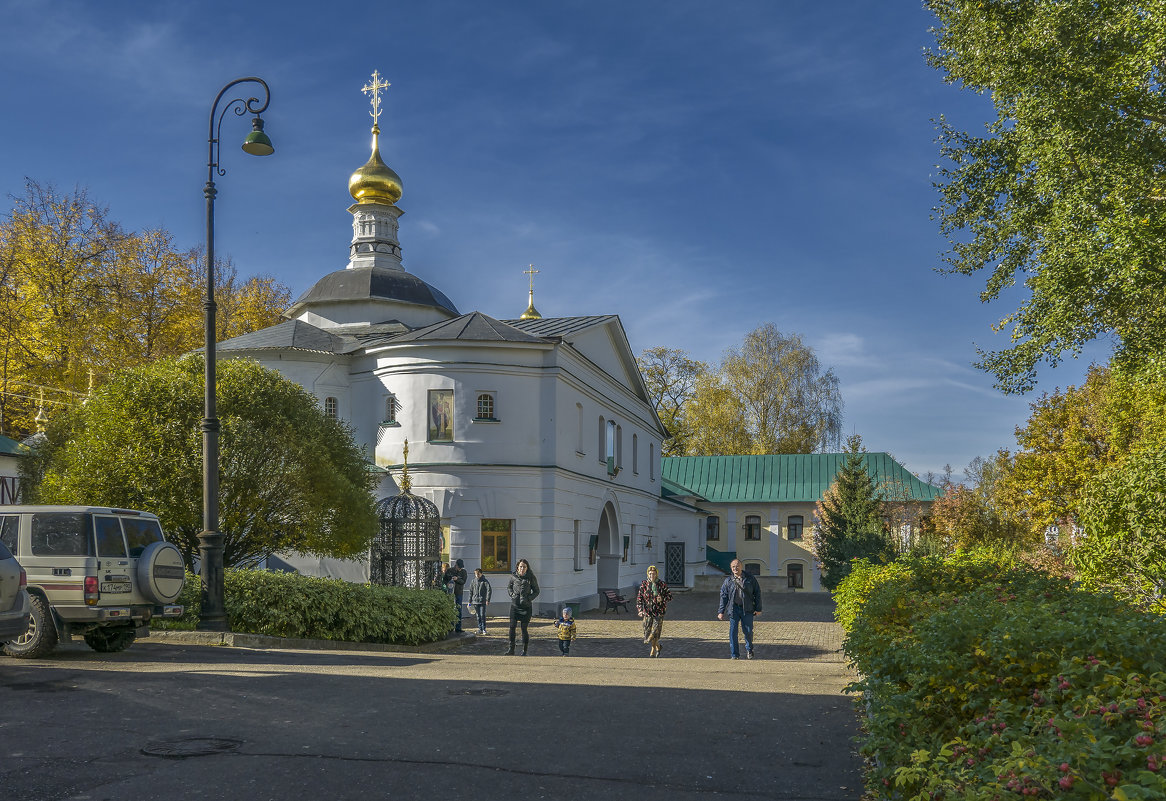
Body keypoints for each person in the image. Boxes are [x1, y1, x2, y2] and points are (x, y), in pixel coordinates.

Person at [717, 559, 762, 660]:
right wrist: (721, 611)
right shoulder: (728, 581)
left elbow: (757, 593)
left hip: (747, 609)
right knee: (733, 632)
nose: (735, 568)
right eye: (733, 567)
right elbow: (723, 596)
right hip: (734, 609)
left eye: (737, 566)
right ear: (731, 568)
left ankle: (749, 649)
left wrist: (758, 608)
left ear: (741, 567)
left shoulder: (750, 579)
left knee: (748, 631)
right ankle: (735, 654)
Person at [504, 558, 539, 656]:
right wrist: (512, 594)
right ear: (517, 567)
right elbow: (509, 587)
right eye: (521, 566)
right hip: (515, 606)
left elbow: (537, 591)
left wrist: (529, 598)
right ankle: (511, 649)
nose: (522, 568)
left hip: (526, 607)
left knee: (524, 628)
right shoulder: (513, 577)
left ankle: (524, 650)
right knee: (512, 627)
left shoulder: (531, 577)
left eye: (524, 567)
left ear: (527, 568)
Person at [636, 564, 673, 657]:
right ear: (648, 574)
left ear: (656, 574)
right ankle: (658, 646)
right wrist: (640, 610)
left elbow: (670, 597)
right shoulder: (644, 584)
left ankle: (652, 651)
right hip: (648, 611)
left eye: (653, 574)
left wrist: (663, 599)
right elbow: (639, 598)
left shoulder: (661, 584)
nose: (652, 575)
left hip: (659, 611)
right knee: (647, 631)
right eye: (650, 573)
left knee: (655, 632)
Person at [443, 559, 468, 633]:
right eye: (458, 567)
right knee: (450, 608)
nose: (459, 569)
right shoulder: (450, 570)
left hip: (459, 592)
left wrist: (457, 579)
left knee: (458, 610)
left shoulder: (464, 572)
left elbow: (463, 581)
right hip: (450, 592)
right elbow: (444, 579)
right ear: (456, 565)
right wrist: (447, 583)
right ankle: (450, 627)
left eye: (460, 567)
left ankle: (458, 627)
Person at [467, 567, 492, 634]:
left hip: (482, 601)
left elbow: (489, 590)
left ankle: (484, 629)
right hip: (475, 601)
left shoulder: (485, 581)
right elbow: (471, 591)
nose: (477, 575)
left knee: (482, 615)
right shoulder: (473, 581)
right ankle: (480, 628)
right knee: (478, 616)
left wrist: (487, 599)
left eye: (478, 574)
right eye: (476, 574)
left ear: (481, 574)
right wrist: (469, 601)